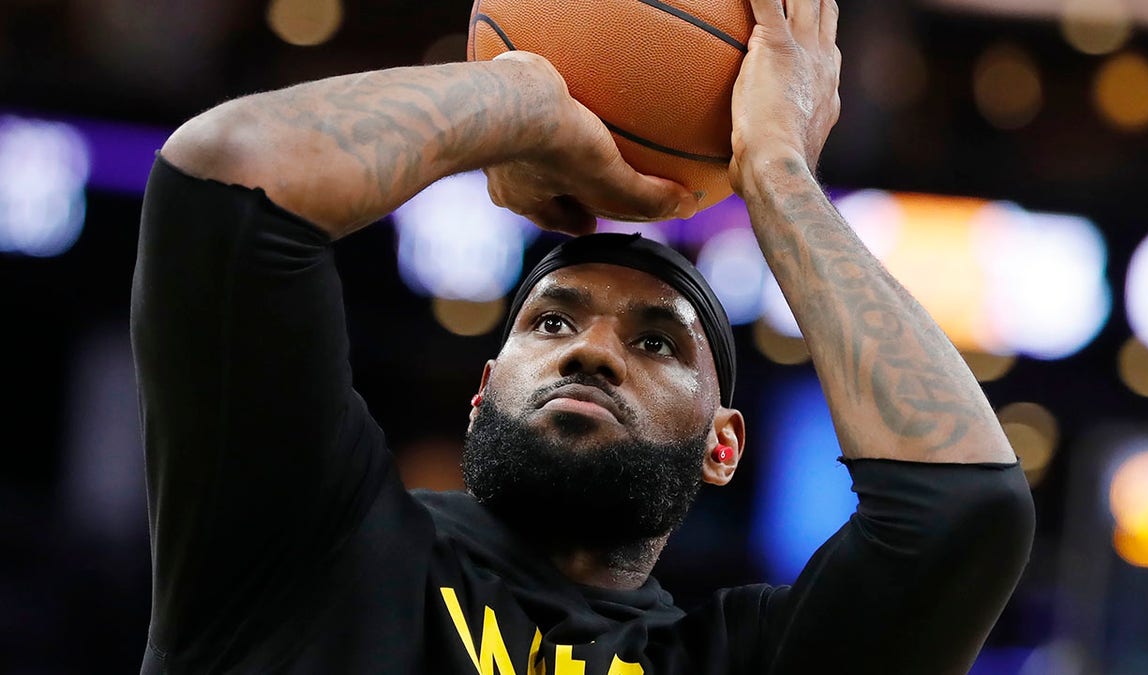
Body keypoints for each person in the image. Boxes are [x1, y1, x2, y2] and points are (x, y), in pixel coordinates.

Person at [133, 0, 1034, 672]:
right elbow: (228, 179)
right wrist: (520, 95)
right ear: (483, 389)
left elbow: (967, 517)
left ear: (724, 444)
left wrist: (777, 172)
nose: (591, 349)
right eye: (553, 319)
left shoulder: (732, 659)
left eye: (657, 343)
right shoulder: (313, 538)